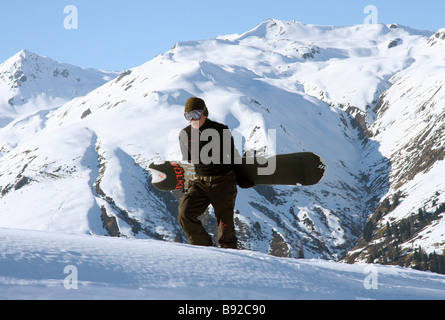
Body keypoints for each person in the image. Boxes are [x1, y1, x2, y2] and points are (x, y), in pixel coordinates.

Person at [178, 97, 253, 249]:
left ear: (205, 112)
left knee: (225, 225)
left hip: (223, 182)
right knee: (184, 214)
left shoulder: (220, 130)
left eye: (196, 114)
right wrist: (186, 181)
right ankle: (206, 249)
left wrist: (241, 177)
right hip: (199, 182)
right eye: (188, 116)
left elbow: (233, 156)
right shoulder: (184, 134)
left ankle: (230, 256)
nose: (193, 119)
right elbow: (190, 161)